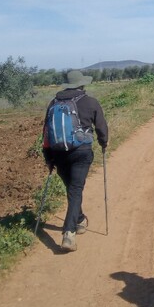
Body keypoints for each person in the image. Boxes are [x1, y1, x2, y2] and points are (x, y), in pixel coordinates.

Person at [42, 70, 108, 252]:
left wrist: (48, 158)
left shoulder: (53, 103)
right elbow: (101, 127)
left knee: (72, 189)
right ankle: (69, 233)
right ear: (82, 84)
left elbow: (46, 134)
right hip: (81, 152)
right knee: (75, 190)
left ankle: (78, 220)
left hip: (58, 154)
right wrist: (103, 143)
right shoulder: (90, 102)